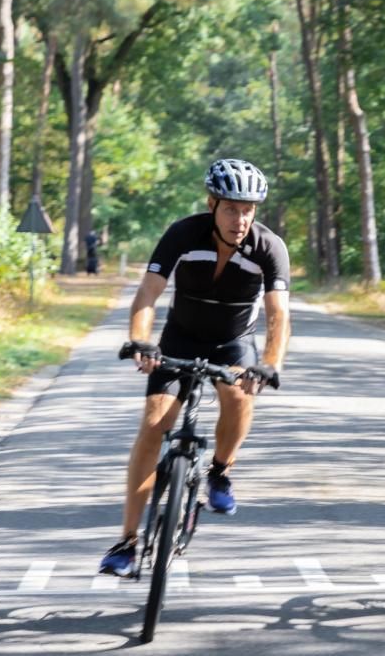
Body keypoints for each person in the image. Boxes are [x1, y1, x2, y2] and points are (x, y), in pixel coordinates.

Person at [99, 159, 292, 577]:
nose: (240, 219)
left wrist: (269, 364)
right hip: (179, 339)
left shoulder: (269, 247)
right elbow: (148, 294)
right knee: (153, 426)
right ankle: (127, 542)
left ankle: (220, 471)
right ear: (212, 204)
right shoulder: (183, 234)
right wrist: (141, 341)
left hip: (233, 343)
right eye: (230, 209)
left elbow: (279, 316)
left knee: (241, 395)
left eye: (248, 210)